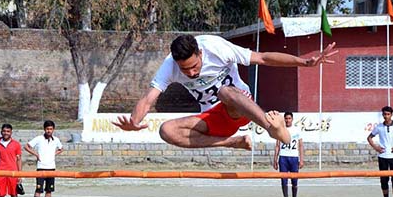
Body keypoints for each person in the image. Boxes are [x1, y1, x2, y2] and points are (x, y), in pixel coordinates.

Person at [113, 34, 338, 149]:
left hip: (239, 105)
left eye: (194, 66)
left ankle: (272, 128)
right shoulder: (170, 65)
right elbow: (149, 97)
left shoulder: (217, 48)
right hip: (214, 118)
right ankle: (234, 142)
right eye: (185, 70)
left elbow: (263, 58)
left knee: (224, 92)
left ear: (200, 53)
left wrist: (306, 63)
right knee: (166, 131)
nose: (191, 73)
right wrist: (134, 121)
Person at [24, 120, 63, 197]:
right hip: (41, 168)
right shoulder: (39, 139)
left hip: (51, 168)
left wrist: (53, 155)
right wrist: (36, 154)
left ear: (53, 129)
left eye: (51, 129)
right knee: (38, 189)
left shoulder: (56, 140)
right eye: (47, 129)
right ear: (44, 129)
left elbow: (61, 148)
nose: (49, 131)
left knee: (49, 190)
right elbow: (27, 146)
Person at [272, 112, 304, 197]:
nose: (288, 120)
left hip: (294, 157)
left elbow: (301, 145)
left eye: (289, 118)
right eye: (286, 118)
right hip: (283, 157)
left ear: (292, 119)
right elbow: (277, 145)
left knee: (294, 180)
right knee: (283, 180)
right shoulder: (281, 130)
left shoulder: (297, 130)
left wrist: (301, 159)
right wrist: (275, 159)